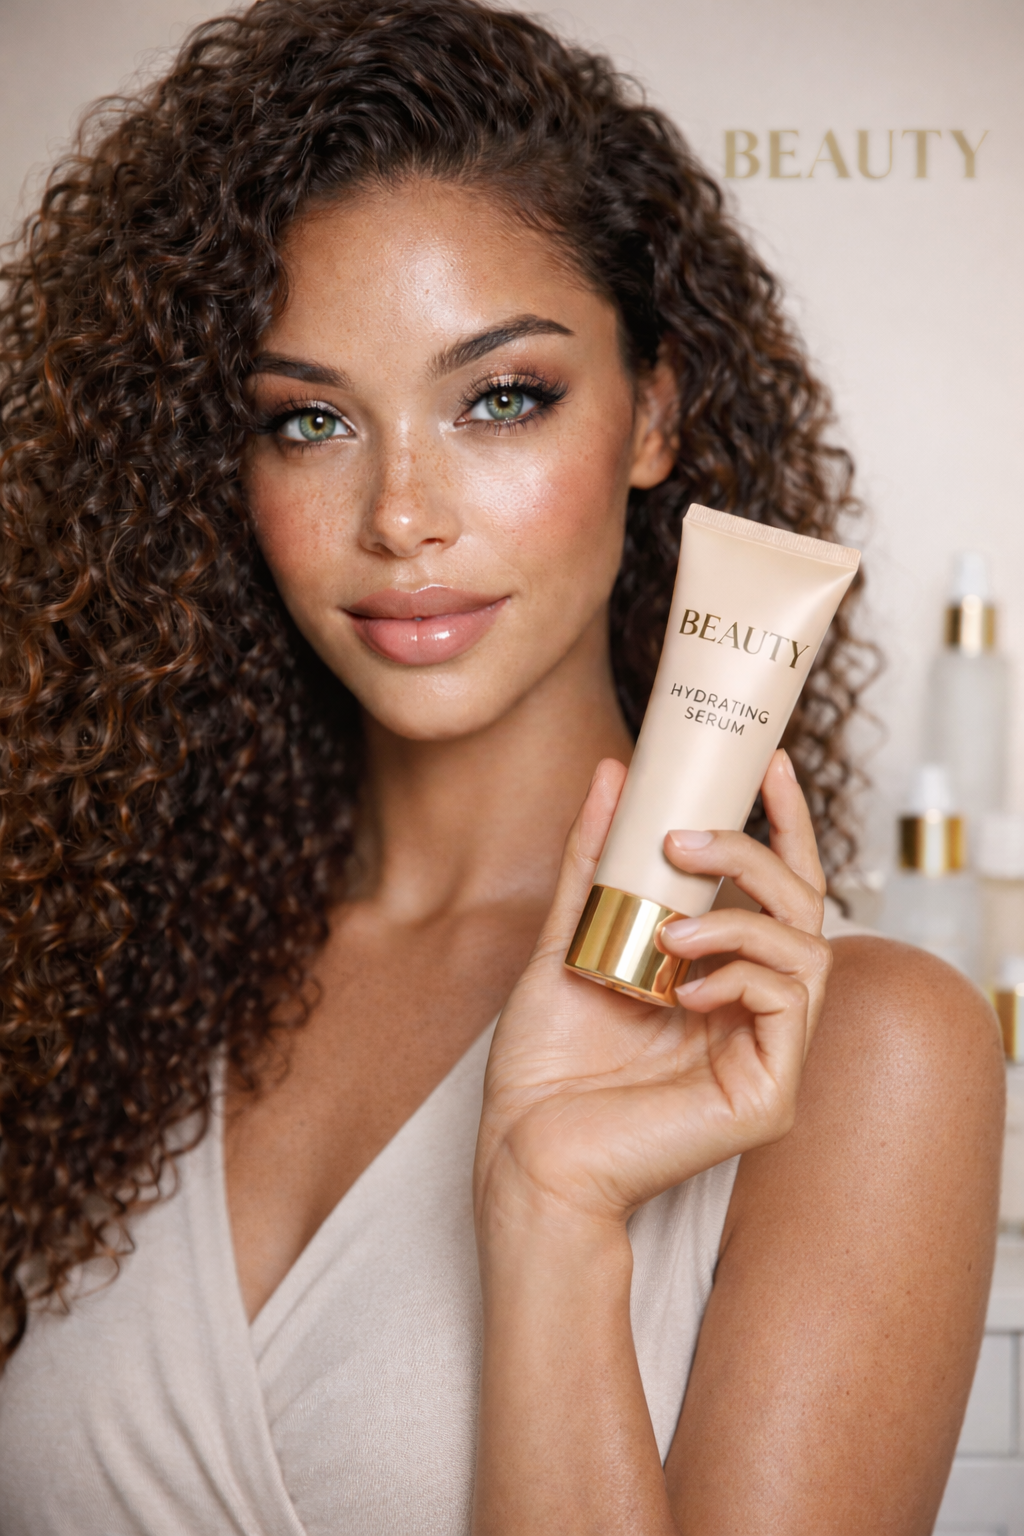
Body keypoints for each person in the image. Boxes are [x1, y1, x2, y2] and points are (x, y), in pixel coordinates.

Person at [0, 1, 1003, 1531]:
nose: (402, 515)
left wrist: (550, 1217)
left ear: (653, 413)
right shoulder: (91, 978)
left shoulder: (868, 1053)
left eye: (501, 399)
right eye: (311, 418)